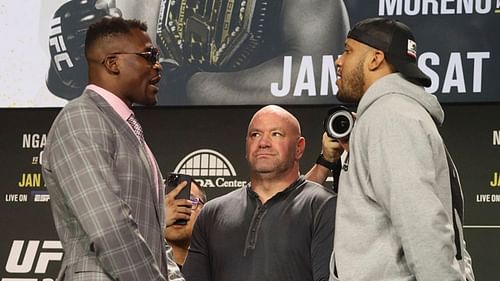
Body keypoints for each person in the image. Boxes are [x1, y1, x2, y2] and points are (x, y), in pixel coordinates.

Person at [41, 17, 183, 281]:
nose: (158, 66)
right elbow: (110, 227)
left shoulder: (125, 128)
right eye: (149, 56)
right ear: (112, 63)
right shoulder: (82, 118)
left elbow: (154, 240)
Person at [329, 17, 471, 281]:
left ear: (375, 59)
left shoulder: (390, 116)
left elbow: (422, 224)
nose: (339, 61)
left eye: (348, 50)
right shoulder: (391, 115)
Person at [46, 0, 349, 105]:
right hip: (151, 165)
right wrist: (75, 62)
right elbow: (92, 89)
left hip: (262, 176)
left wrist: (187, 85)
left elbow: (315, 80)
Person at [182, 105, 336, 281]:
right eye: (255, 135)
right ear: (246, 145)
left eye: (276, 134)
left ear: (299, 147)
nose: (263, 143)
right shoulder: (212, 213)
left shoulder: (324, 207)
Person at [164, 179, 207, 268]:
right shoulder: (143, 267)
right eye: (169, 203)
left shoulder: (216, 269)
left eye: (190, 201)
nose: (178, 209)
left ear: (204, 211)